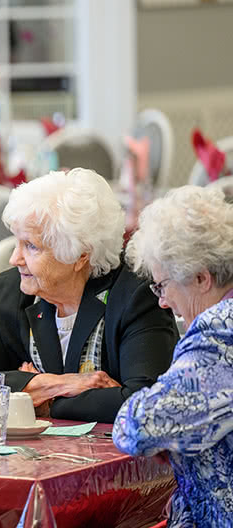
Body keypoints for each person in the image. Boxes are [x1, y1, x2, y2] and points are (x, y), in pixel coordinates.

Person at [0, 168, 178, 423]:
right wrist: (56, 385)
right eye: (17, 242)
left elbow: (143, 402)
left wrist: (44, 404)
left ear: (80, 255)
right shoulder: (12, 294)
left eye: (31, 246)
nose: (15, 259)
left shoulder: (136, 296)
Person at [113, 186, 233, 527]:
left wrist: (168, 433)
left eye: (162, 286)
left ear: (200, 278)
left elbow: (139, 426)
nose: (162, 302)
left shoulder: (220, 333)